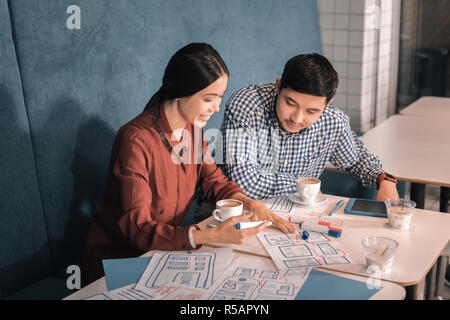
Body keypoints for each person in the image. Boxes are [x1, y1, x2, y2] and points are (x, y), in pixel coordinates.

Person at [80, 43, 293, 287]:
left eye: (219, 97)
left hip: (163, 254)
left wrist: (249, 203)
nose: (216, 107)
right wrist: (210, 235)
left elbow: (214, 180)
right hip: (118, 264)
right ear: (181, 93)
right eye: (208, 99)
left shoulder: (192, 129)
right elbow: (137, 228)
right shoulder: (135, 140)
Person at [221, 53, 399, 201]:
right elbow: (244, 183)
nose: (297, 118)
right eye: (290, 103)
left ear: (327, 104)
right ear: (278, 86)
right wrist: (302, 186)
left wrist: (383, 179)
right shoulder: (247, 106)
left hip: (298, 215)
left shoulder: (332, 121)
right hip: (240, 212)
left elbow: (356, 159)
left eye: (311, 111)